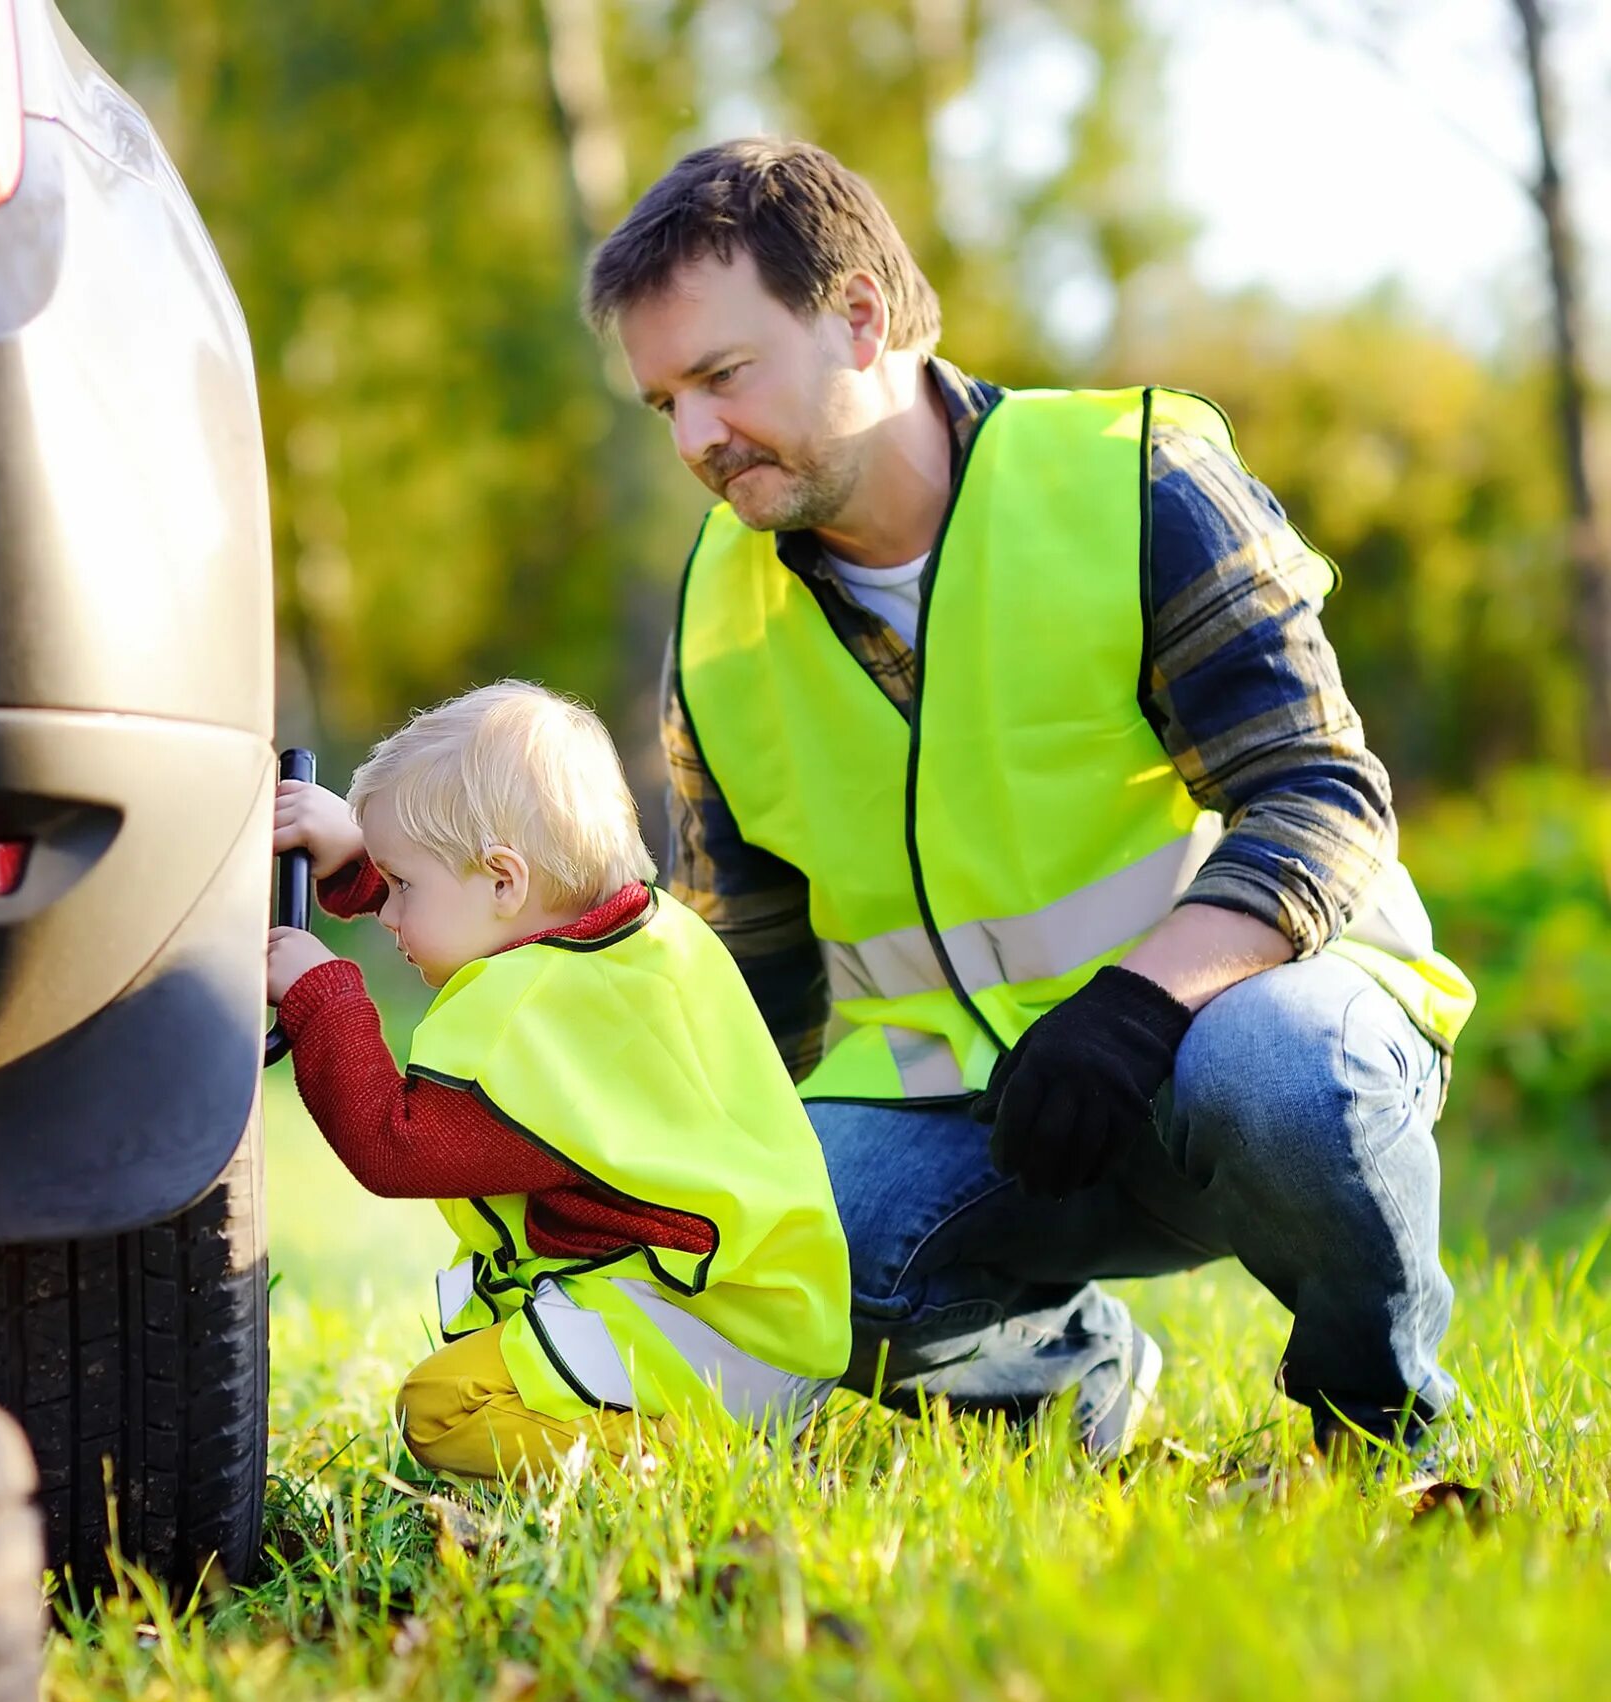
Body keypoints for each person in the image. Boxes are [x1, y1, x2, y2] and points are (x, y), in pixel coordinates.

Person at [585, 137, 1474, 1468]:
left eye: (721, 376)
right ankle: (1074, 1386)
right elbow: (746, 991)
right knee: (778, 1237)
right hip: (986, 1125)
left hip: (1245, 1048)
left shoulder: (1135, 482)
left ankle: (1384, 1429)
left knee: (1281, 1078)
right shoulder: (716, 623)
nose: (699, 438)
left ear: (860, 317)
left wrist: (1134, 1007)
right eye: (667, 406)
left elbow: (1320, 797)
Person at [265, 680, 850, 1480]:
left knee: (441, 1408)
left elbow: (395, 1146)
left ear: (505, 880)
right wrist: (371, 855)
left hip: (709, 1335)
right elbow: (472, 911)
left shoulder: (532, 1017)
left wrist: (323, 1001)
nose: (391, 916)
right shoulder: (635, 942)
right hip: (762, 1310)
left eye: (401, 888)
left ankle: (690, 1458)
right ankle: (729, 1426)